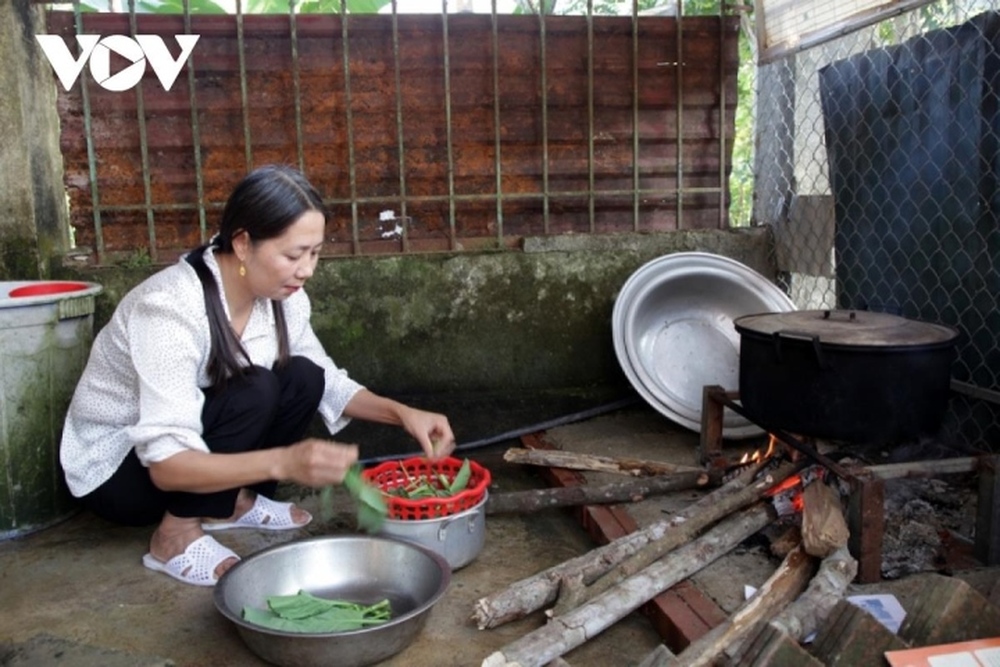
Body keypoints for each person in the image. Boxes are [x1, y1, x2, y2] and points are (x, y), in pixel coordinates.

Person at [59, 164, 455, 587]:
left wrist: (401, 413)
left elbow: (327, 381)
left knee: (302, 376)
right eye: (292, 255)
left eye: (315, 253)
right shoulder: (168, 310)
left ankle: (230, 505)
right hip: (121, 474)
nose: (306, 270)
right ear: (244, 243)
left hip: (188, 456)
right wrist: (285, 461)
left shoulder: (284, 298)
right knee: (256, 386)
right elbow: (166, 466)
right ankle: (173, 536)